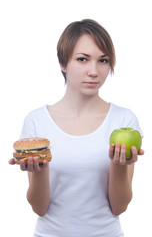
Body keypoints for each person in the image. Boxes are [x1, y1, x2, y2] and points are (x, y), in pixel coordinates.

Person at [9, 19, 144, 237]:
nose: (94, 71)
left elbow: (119, 207)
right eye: (82, 59)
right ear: (63, 63)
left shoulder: (123, 120)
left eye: (103, 60)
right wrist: (40, 170)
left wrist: (118, 165)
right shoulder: (37, 121)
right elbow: (39, 208)